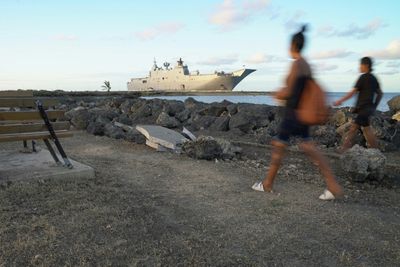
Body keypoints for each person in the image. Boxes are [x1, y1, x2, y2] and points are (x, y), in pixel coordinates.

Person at [251, 25, 343, 200]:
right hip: (303, 113)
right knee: (307, 146)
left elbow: (291, 91)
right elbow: (306, 89)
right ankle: (332, 185)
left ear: (292, 46)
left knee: (279, 146)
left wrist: (277, 93)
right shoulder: (307, 64)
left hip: (293, 113)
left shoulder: (296, 64)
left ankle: (268, 184)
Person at [333, 57, 383, 152]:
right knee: (366, 129)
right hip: (368, 108)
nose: (359, 67)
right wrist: (375, 105)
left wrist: (340, 100)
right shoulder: (373, 78)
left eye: (361, 65)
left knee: (354, 128)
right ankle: (376, 151)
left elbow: (352, 93)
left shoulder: (363, 78)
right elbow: (380, 93)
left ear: (366, 65)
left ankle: (343, 149)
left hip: (363, 108)